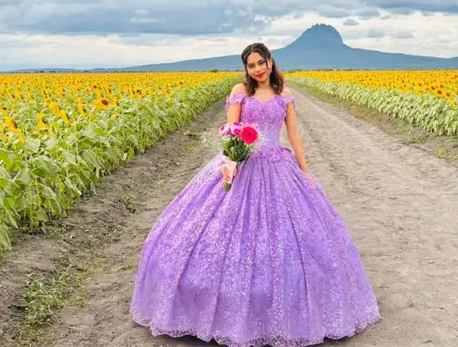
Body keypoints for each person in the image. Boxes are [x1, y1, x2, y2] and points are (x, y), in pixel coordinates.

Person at [129, 43, 380, 346]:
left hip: (277, 165)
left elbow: (294, 133)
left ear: (271, 62)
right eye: (251, 65)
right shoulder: (241, 91)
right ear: (245, 69)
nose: (258, 69)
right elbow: (232, 129)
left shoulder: (284, 93)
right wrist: (229, 162)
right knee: (219, 230)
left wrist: (305, 169)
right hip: (243, 163)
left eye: (262, 62)